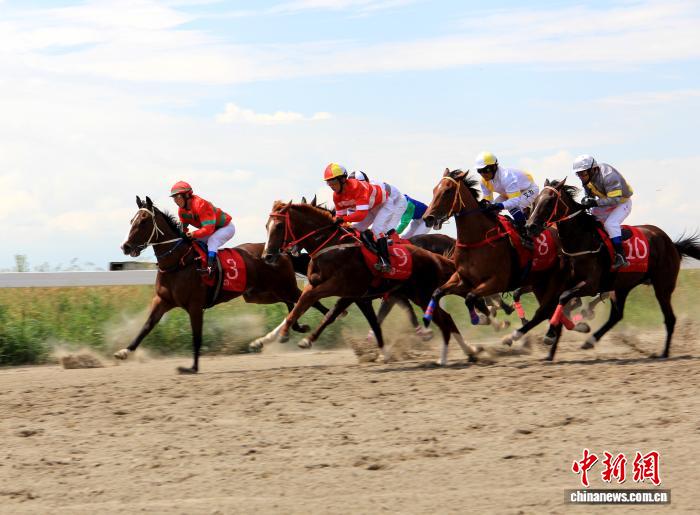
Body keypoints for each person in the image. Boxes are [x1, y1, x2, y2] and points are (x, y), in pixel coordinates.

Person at [324, 164, 407, 272]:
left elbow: (360, 215)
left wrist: (343, 219)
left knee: (377, 229)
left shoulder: (357, 187)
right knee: (356, 229)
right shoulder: (336, 196)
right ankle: (373, 253)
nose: (331, 186)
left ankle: (386, 262)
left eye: (333, 182)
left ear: (343, 179)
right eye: (329, 183)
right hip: (370, 207)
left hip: (384, 205)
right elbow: (340, 217)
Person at [573, 155, 633, 269]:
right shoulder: (587, 177)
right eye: (578, 174)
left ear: (592, 169)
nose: (581, 177)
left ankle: (621, 255)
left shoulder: (609, 176)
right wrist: (587, 199)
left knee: (610, 224)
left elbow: (615, 200)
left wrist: (595, 202)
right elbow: (589, 194)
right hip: (607, 202)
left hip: (622, 203)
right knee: (589, 218)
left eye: (583, 173)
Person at [475, 151, 538, 250]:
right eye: (479, 171)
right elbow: (488, 199)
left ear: (494, 167)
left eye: (486, 170)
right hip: (509, 193)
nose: (483, 174)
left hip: (528, 189)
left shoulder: (506, 177)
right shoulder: (483, 181)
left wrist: (499, 206)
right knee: (490, 210)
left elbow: (515, 201)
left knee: (513, 207)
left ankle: (527, 235)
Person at [170, 181, 235, 275]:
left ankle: (211, 266)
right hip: (211, 230)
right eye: (174, 198)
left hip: (226, 227)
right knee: (192, 242)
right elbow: (183, 229)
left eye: (178, 197)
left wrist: (193, 234)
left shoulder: (201, 204)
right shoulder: (181, 211)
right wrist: (181, 234)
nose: (176, 200)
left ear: (187, 195)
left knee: (212, 240)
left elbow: (208, 229)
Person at [350, 171, 430, 239]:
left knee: (414, 237)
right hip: (411, 216)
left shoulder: (409, 205)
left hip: (426, 219)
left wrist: (393, 233)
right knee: (405, 237)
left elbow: (404, 223)